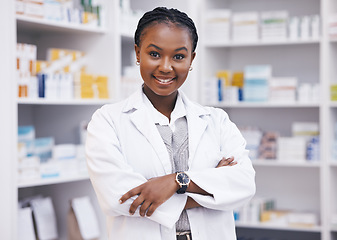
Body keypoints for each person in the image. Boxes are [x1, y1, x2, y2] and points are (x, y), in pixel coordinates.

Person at [86, 7, 256, 240]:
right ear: (137, 53)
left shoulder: (216, 120)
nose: (166, 67)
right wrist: (211, 188)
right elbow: (120, 198)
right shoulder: (108, 121)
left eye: (178, 56)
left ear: (191, 59)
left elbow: (243, 185)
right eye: (154, 54)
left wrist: (175, 182)